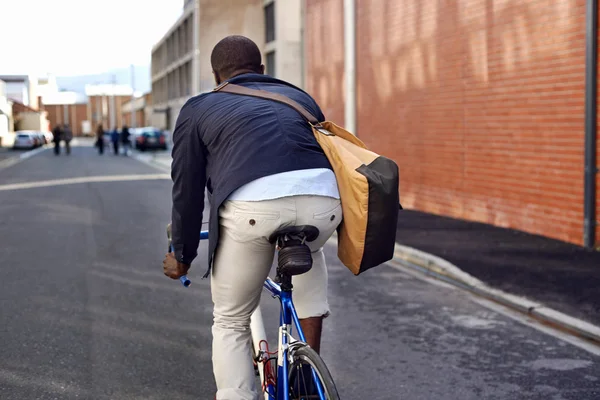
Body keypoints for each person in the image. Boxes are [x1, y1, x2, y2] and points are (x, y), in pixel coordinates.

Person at [162, 35, 341, 400]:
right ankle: (306, 373)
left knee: (229, 319)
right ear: (262, 71)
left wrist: (182, 255)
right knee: (311, 249)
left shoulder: (198, 109)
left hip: (253, 210)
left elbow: (188, 190)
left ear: (216, 77)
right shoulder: (299, 98)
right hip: (324, 202)